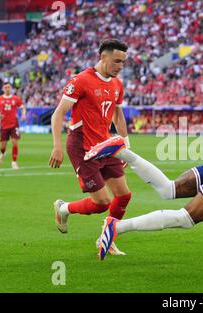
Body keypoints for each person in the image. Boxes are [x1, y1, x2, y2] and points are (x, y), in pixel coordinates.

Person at [48, 39, 132, 256]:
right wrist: (57, 145)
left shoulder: (117, 84)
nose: (120, 66)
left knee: (123, 196)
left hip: (105, 144)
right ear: (103, 57)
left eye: (123, 62)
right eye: (116, 61)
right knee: (102, 202)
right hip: (81, 146)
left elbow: (118, 113)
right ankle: (64, 208)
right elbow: (58, 113)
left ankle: (107, 238)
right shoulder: (81, 81)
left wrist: (126, 143)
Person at [0, 82, 26, 169]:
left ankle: (14, 162)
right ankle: (3, 153)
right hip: (4, 124)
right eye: (5, 87)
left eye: (8, 87)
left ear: (11, 88)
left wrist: (23, 115)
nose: (7, 89)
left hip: (14, 124)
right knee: (2, 145)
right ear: (3, 89)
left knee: (14, 142)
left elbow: (22, 108)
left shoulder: (16, 98)